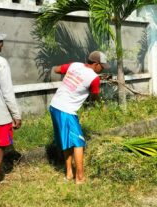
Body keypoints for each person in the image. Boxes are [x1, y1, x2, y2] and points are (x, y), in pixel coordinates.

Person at [49, 51, 109, 184]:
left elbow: (57, 69)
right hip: (66, 110)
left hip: (54, 106)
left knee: (66, 142)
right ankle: (80, 178)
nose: (102, 69)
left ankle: (69, 174)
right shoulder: (94, 78)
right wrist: (99, 105)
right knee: (78, 142)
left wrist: (72, 76)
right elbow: (94, 97)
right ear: (96, 64)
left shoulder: (75, 65)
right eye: (102, 66)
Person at [0, 29, 22, 183]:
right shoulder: (1, 63)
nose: (2, 45)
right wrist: (16, 115)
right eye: (0, 42)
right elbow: (7, 93)